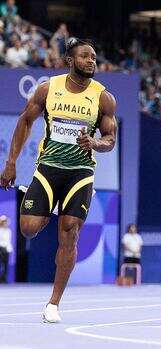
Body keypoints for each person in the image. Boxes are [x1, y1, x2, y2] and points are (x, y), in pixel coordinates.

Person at [0, 37, 117, 323]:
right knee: (28, 228)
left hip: (80, 173)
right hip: (48, 167)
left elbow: (110, 139)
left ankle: (54, 303)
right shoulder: (48, 89)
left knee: (70, 231)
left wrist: (96, 143)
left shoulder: (103, 97)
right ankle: (48, 204)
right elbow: (25, 121)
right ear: (70, 60)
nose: (91, 61)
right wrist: (11, 162)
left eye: (94, 57)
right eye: (85, 56)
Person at [0, 215, 13, 283]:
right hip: (0, 249)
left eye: (6, 222)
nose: (5, 223)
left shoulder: (8, 231)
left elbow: (8, 241)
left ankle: (4, 279)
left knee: (5, 265)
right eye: (3, 222)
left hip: (6, 250)